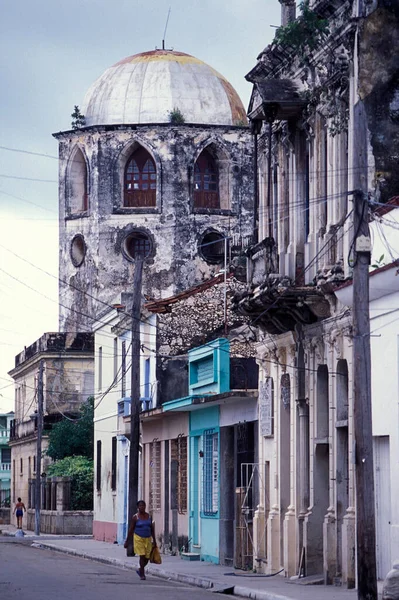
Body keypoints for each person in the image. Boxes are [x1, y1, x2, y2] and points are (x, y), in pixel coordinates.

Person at [124, 500, 156, 580]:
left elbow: (152, 529)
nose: (142, 507)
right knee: (142, 555)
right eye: (140, 506)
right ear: (138, 507)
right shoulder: (135, 517)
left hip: (148, 538)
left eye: (144, 505)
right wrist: (127, 541)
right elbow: (131, 529)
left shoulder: (149, 516)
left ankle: (140, 569)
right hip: (138, 538)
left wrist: (154, 540)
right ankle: (142, 573)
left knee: (147, 557)